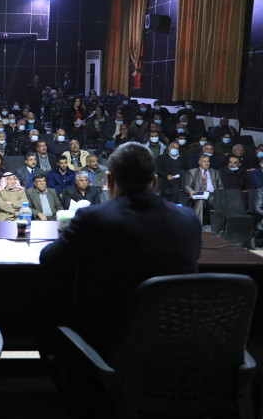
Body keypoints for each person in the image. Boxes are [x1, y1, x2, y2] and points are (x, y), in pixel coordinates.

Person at [39, 142, 202, 356]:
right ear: (154, 182)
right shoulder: (189, 219)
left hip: (105, 345)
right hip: (170, 345)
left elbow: (50, 260)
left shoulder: (92, 218)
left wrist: (66, 234)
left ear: (109, 180)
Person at [184, 154, 224, 224]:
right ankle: (197, 225)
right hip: (199, 194)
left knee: (217, 200)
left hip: (212, 194)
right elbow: (187, 186)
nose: (206, 163)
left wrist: (219, 193)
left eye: (208, 161)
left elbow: (221, 186)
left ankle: (219, 225)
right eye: (204, 161)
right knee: (200, 201)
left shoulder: (215, 172)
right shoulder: (192, 172)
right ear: (199, 162)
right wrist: (191, 191)